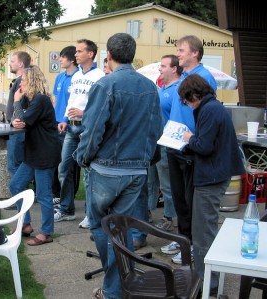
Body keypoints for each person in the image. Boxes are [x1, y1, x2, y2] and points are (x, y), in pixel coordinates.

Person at [74, 33, 162, 299]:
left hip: (107, 169)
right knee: (120, 230)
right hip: (135, 170)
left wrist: (83, 157)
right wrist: (145, 160)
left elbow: (92, 130)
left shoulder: (106, 84)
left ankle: (114, 289)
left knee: (103, 227)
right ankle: (122, 283)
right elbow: (155, 129)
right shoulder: (150, 87)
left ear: (108, 56)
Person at [180, 74, 245, 292]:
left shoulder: (209, 110)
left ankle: (207, 286)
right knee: (206, 229)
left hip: (211, 177)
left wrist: (188, 138)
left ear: (195, 94)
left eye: (188, 100)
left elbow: (204, 146)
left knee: (202, 234)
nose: (187, 105)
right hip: (217, 173)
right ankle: (208, 281)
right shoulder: (214, 107)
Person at [161, 35, 218, 265]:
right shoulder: (182, 77)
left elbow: (206, 113)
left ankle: (194, 245)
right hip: (173, 144)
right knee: (178, 198)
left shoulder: (204, 78)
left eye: (182, 49)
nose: (179, 53)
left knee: (191, 198)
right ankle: (183, 239)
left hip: (190, 147)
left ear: (195, 53)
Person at [54, 39, 104, 228]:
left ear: (90, 54)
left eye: (80, 51)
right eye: (75, 51)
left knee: (88, 173)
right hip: (71, 128)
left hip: (87, 128)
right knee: (64, 169)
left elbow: (101, 105)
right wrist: (65, 120)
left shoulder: (99, 76)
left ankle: (92, 215)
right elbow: (72, 100)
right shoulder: (75, 76)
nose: (76, 54)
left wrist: (84, 113)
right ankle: (67, 209)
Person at [9, 65, 61, 246]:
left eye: (23, 80)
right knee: (16, 184)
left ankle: (46, 232)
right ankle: (25, 224)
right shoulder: (31, 100)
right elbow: (17, 119)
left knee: (43, 193)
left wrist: (16, 101)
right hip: (33, 153)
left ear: (31, 81)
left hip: (45, 153)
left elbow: (21, 121)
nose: (20, 83)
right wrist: (19, 104)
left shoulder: (40, 100)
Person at [152, 55, 182, 231]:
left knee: (166, 184)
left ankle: (169, 217)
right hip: (155, 142)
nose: (160, 69)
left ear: (174, 69)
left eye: (163, 66)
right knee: (151, 182)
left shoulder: (179, 90)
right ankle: (147, 212)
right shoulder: (162, 89)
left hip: (167, 144)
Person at [52, 46, 78, 201]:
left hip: (70, 125)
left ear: (71, 59)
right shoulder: (60, 78)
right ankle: (59, 194)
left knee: (70, 164)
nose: (60, 60)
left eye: (62, 57)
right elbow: (55, 101)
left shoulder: (78, 78)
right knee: (58, 162)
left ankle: (69, 196)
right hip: (56, 125)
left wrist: (65, 120)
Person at [6, 51, 31, 178]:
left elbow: (22, 106)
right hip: (18, 128)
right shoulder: (20, 80)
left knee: (15, 165)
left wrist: (13, 120)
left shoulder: (22, 81)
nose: (10, 64)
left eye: (12, 61)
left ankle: (20, 196)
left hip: (18, 129)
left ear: (21, 64)